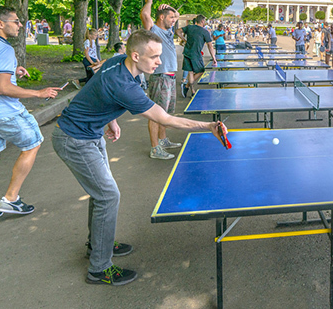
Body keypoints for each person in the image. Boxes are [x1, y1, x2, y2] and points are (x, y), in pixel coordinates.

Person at [52, 30, 229, 286]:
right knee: (107, 195)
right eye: (154, 56)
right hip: (75, 139)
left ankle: (98, 245)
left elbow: (95, 91)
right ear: (135, 55)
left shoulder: (117, 62)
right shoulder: (125, 86)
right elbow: (166, 119)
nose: (159, 61)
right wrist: (208, 127)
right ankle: (99, 269)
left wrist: (110, 119)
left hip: (89, 133)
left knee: (101, 194)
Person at [0, 6, 62, 228]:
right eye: (16, 21)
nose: (20, 25)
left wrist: (11, 71)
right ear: (0, 23)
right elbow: (3, 88)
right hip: (6, 114)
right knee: (34, 143)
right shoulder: (4, 49)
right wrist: (38, 92)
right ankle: (11, 198)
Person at [140, 0, 181, 160]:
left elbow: (177, 15)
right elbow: (145, 15)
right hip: (161, 77)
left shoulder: (167, 31)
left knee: (165, 113)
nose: (174, 20)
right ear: (161, 17)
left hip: (170, 77)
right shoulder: (154, 31)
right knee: (156, 113)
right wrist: (149, 2)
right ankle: (155, 147)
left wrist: (170, 6)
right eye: (170, 17)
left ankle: (163, 140)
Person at [177, 15, 216, 98]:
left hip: (187, 53)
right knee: (201, 71)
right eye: (204, 21)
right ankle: (187, 86)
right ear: (202, 21)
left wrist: (184, 39)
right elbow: (210, 46)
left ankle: (191, 90)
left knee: (190, 72)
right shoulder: (205, 32)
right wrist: (214, 58)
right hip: (196, 55)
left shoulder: (189, 27)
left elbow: (177, 31)